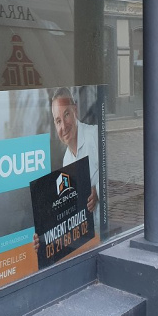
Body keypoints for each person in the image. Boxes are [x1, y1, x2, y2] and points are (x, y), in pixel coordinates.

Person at [34, 87, 100, 252]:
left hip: (108, 234)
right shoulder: (66, 160)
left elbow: (120, 175)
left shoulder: (95, 136)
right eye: (58, 121)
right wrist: (43, 236)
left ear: (75, 111)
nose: (63, 126)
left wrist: (98, 191)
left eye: (66, 115)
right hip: (90, 240)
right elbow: (70, 207)